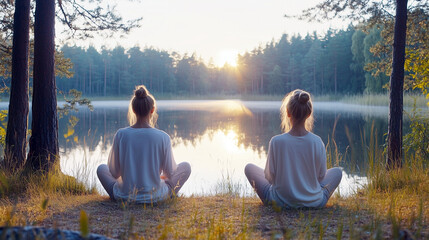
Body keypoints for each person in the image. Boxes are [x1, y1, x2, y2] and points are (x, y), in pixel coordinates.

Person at [244, 89, 342, 208]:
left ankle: (283, 197)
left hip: (279, 202)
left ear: (288, 112)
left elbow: (270, 178)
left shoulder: (276, 142)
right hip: (314, 202)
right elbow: (321, 177)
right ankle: (313, 197)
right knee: (337, 172)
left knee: (249, 168)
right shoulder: (317, 141)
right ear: (309, 113)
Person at [97, 85, 191, 203]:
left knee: (101, 169)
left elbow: (114, 173)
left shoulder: (121, 134)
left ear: (134, 109)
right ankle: (167, 194)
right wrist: (157, 177)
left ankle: (123, 192)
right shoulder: (163, 137)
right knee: (186, 167)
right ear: (152, 110)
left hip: (124, 196)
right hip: (156, 196)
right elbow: (169, 173)